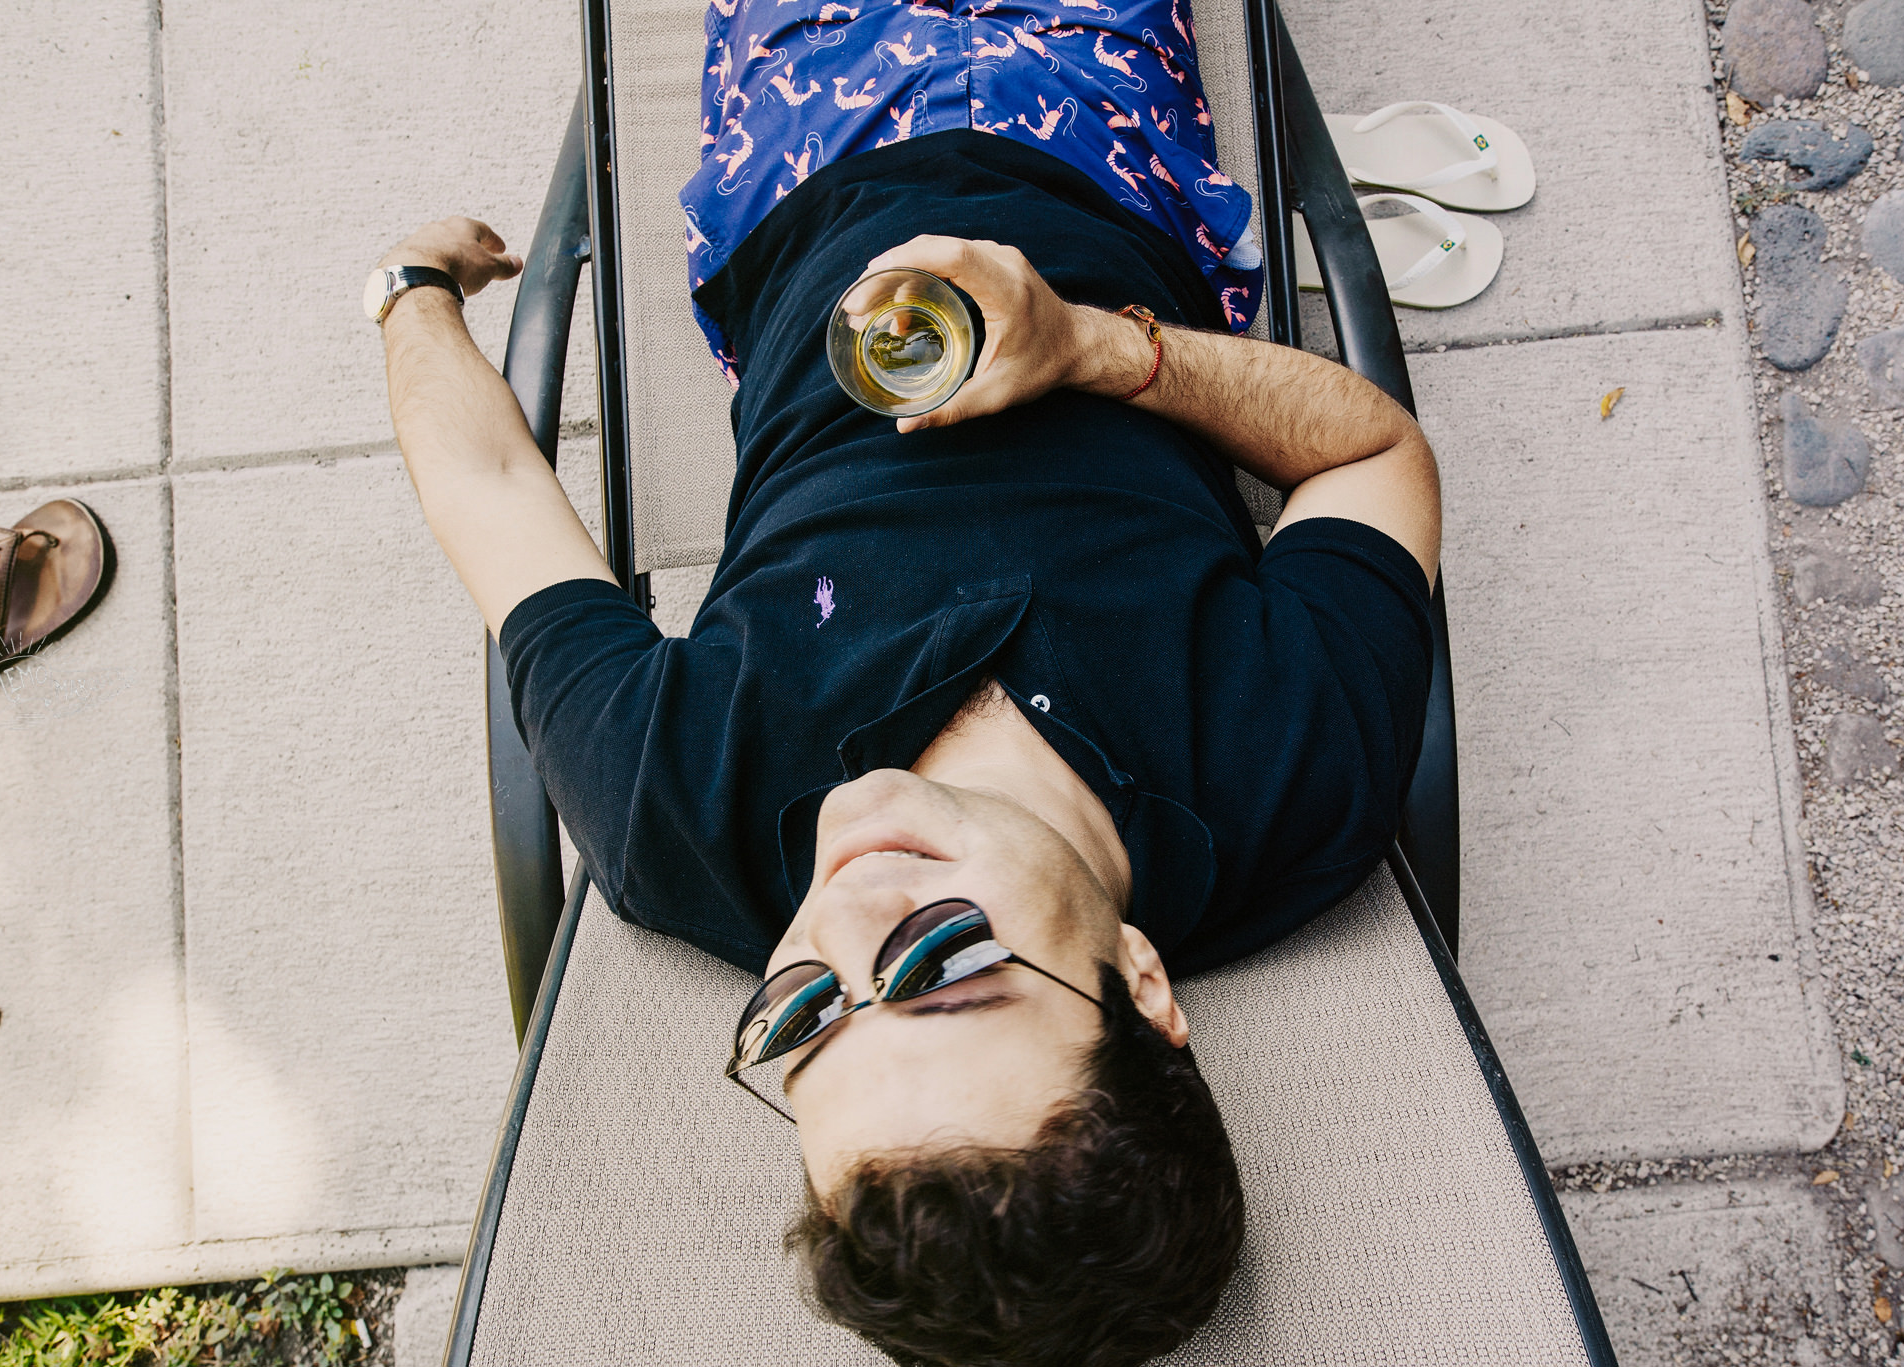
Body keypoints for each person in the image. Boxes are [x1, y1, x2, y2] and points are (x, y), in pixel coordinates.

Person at [372, 0, 1438, 1358]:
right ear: (1139, 980)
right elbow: (1372, 462)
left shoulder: (680, 812)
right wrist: (1096, 347)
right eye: (948, 959)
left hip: (803, 166)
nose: (855, 909)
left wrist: (406, 291)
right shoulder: (1288, 773)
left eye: (806, 1010)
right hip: (1100, 141)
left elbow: (491, 486)